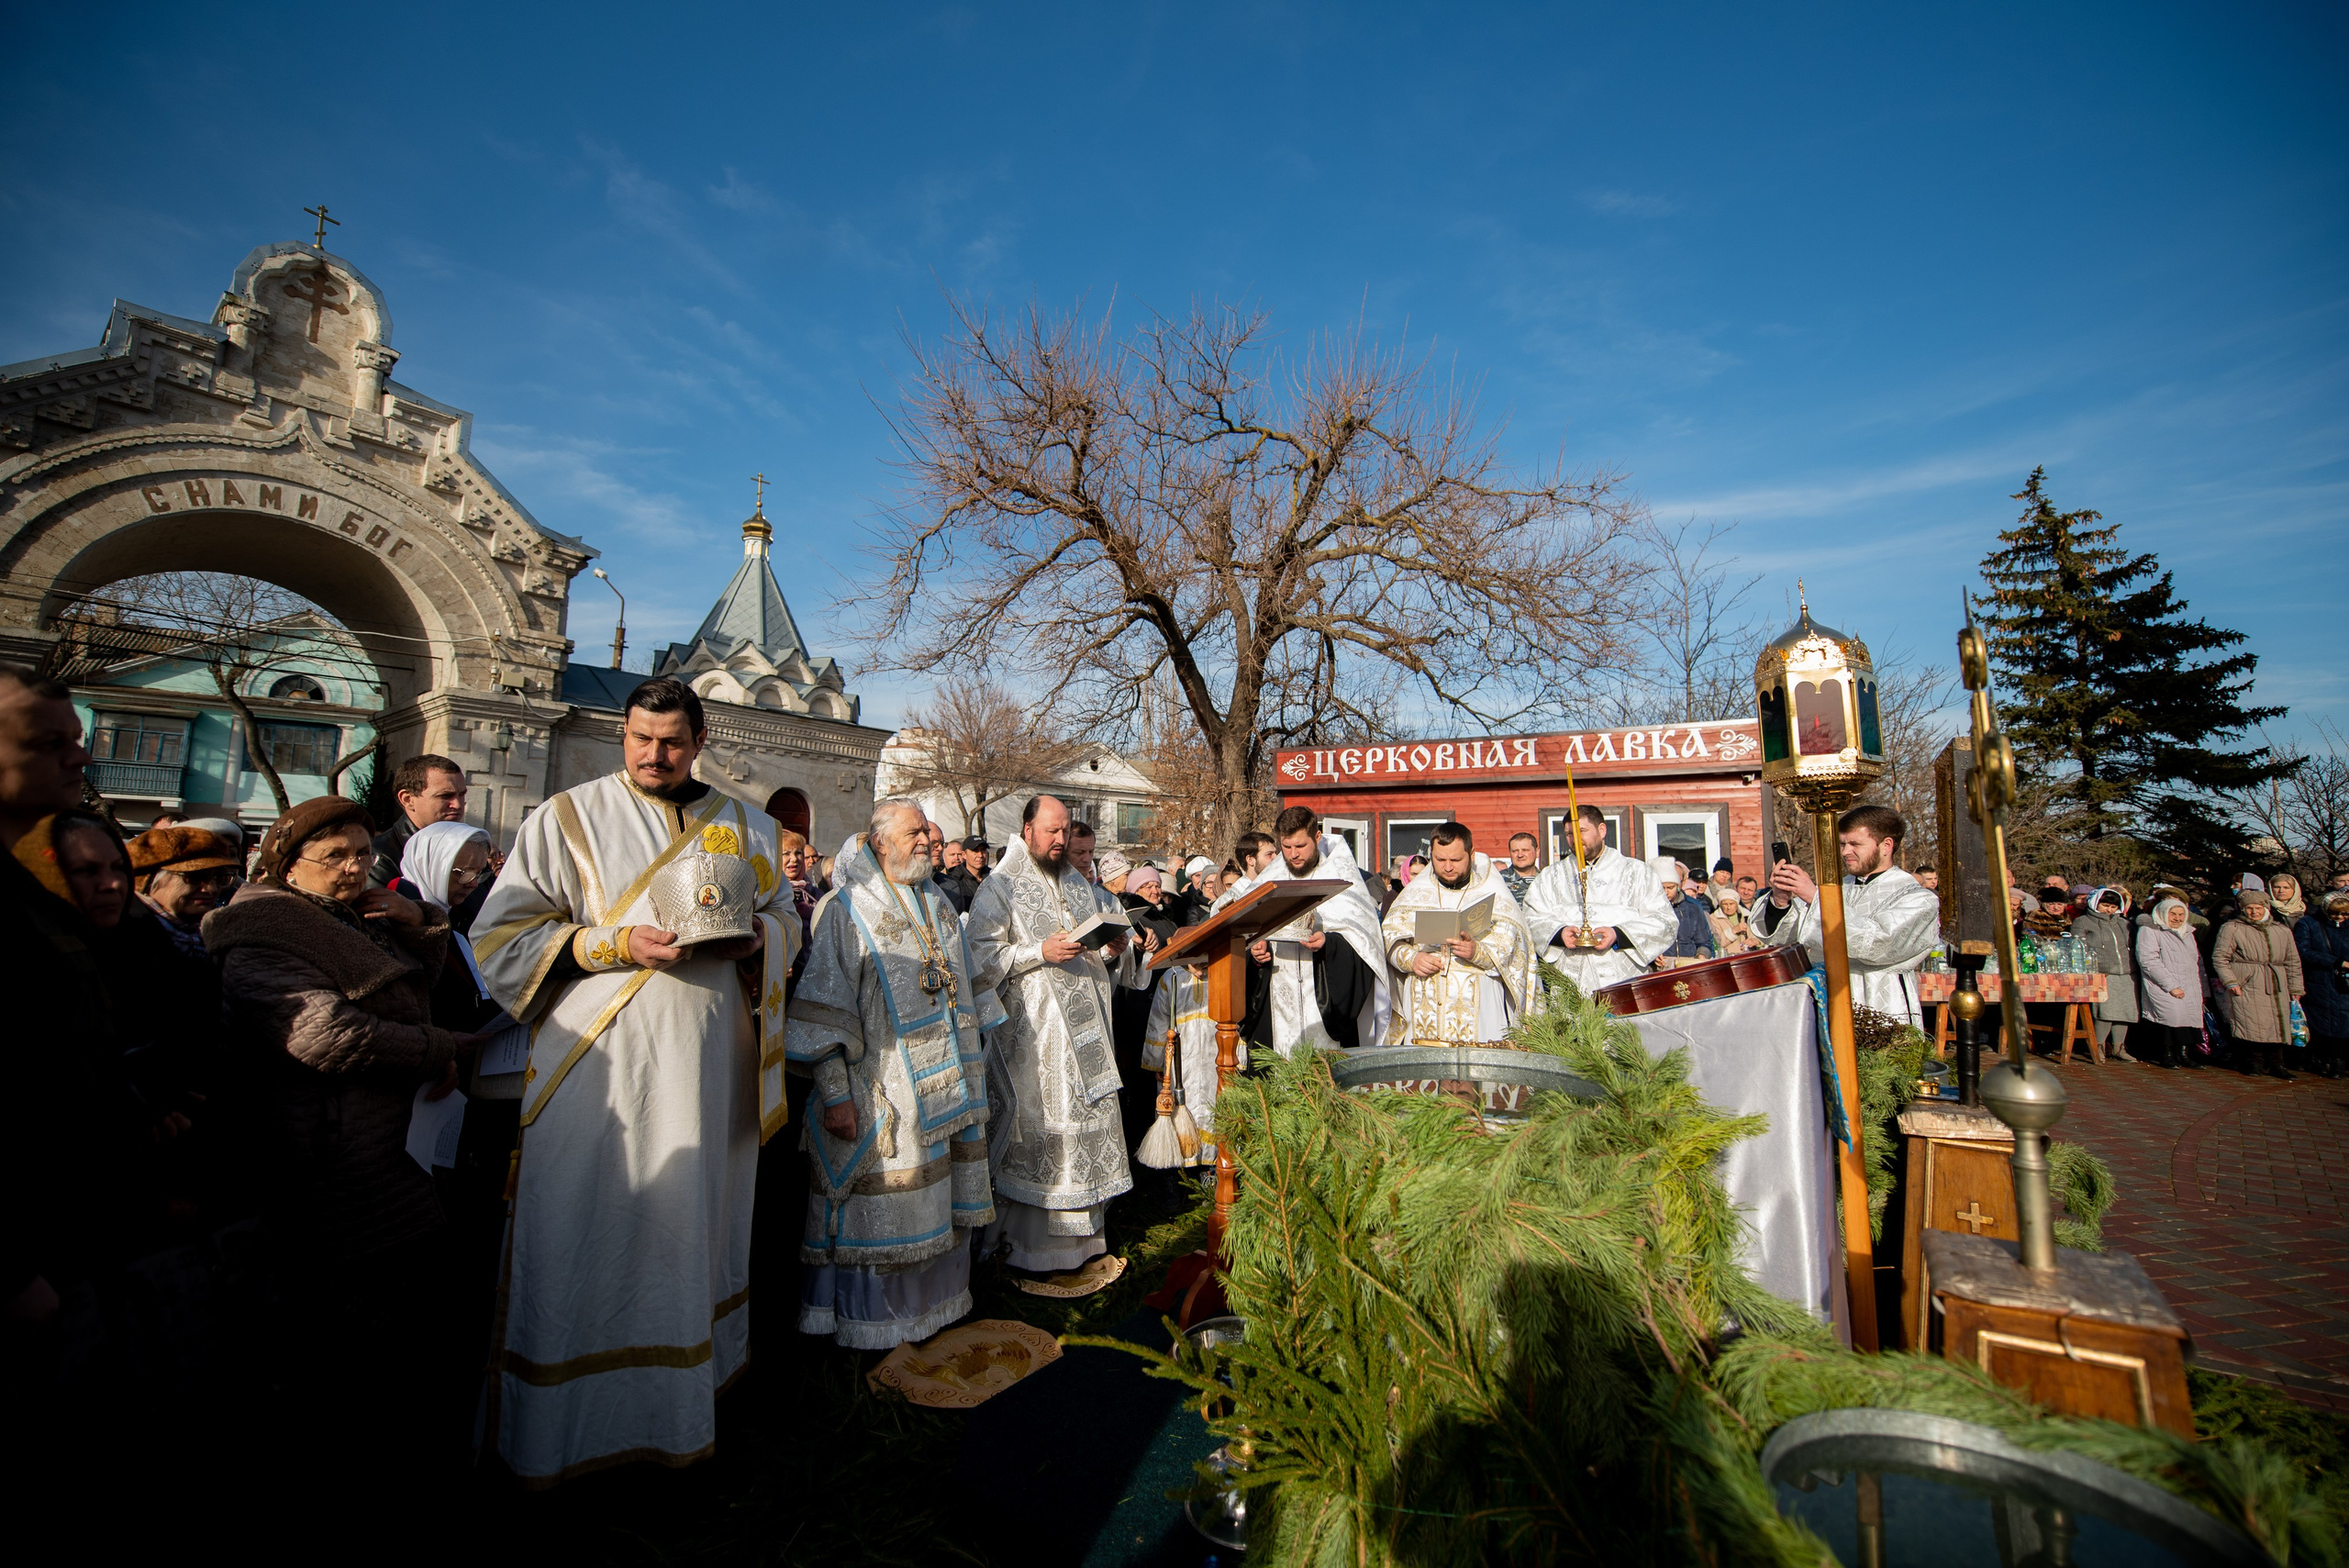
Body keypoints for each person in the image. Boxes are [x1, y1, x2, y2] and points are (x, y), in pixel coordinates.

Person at [468, 678, 797, 1484]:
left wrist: (759, 938)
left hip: (709, 1074)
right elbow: (501, 933)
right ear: (625, 733)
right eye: (640, 738)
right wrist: (614, 945)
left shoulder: (751, 825)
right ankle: (563, 1432)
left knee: (693, 1230)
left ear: (701, 738)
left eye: (673, 741)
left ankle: (683, 1411)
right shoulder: (567, 815)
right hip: (601, 1072)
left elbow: (788, 918)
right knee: (583, 1226)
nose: (655, 755)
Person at [206, 795, 478, 1466]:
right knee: (337, 1329)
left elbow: (423, 980)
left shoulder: (350, 917)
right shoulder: (262, 927)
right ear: (286, 864)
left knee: (399, 1321)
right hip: (326, 1154)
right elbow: (326, 1035)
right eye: (334, 857)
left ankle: (393, 1450)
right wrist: (436, 1046)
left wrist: (420, 917)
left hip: (389, 1147)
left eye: (361, 852)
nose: (354, 868)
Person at [785, 800, 997, 1345]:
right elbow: (823, 1010)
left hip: (944, 1091)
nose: (926, 840)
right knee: (886, 1212)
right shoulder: (847, 909)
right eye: (913, 833)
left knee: (938, 1209)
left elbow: (967, 991)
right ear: (880, 843)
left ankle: (934, 1314)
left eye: (926, 831)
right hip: (882, 1096)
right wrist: (835, 1095)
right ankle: (875, 1330)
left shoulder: (941, 907)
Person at [966, 794, 1140, 1275]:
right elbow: (978, 960)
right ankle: (1028, 1249)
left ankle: (1083, 1247)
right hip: (1035, 1040)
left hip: (1086, 1036)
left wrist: (1111, 949)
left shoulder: (1081, 886)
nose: (1060, 841)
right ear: (1027, 831)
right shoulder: (999, 888)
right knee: (1045, 1126)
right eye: (1051, 831)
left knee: (1084, 1120)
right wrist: (1037, 950)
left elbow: (1088, 954)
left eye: (1065, 831)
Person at [1753, 805, 1941, 1028]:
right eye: (1842, 844)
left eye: (1855, 844)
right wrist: (1781, 901)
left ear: (1886, 846)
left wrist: (1816, 899)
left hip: (1884, 1005)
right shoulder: (1837, 888)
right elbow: (1793, 937)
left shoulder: (1918, 898)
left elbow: (1880, 943)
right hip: (1829, 1002)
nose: (1844, 852)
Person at [1247, 806, 1390, 1055]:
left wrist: (1329, 943)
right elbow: (1249, 932)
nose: (1293, 855)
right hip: (1278, 1000)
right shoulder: (1268, 881)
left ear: (1317, 837)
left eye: (1300, 846)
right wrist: (1257, 951)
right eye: (1286, 846)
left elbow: (1365, 943)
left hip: (1325, 999)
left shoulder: (1342, 879)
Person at [1380, 822, 1534, 1047]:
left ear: (1471, 854)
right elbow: (1387, 940)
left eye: (1456, 860)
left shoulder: (1493, 891)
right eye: (1440, 860)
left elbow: (1515, 948)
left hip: (1479, 1004)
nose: (1448, 867)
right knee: (1425, 1077)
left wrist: (1478, 952)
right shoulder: (1414, 893)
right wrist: (1411, 959)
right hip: (1424, 1000)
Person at [1521, 805, 1677, 994]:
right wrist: (1559, 933)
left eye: (1582, 831)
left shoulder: (1637, 872)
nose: (1574, 839)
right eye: (1569, 834)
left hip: (1622, 978)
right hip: (1569, 981)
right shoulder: (1551, 876)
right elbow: (1530, 919)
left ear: (1602, 830)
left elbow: (1664, 922)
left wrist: (1618, 934)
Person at [2212, 887, 2305, 1081]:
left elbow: (2292, 961)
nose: (2254, 912)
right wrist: (2231, 981)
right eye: (2249, 908)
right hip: (2248, 981)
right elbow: (2220, 957)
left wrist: (2296, 987)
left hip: (2277, 982)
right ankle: (2253, 1062)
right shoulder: (2232, 928)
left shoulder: (2281, 930)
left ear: (2266, 907)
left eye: (2258, 908)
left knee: (2277, 1024)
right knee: (2251, 1024)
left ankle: (2277, 1064)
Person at [129, 824, 240, 959]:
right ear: (149, 879)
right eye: (195, 877)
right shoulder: (126, 937)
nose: (212, 888)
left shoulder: (215, 935)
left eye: (220, 878)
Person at [366, 754, 466, 888]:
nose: (458, 805)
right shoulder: (380, 856)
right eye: (445, 796)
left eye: (462, 794)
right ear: (408, 799)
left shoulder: (469, 848)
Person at [2071, 888, 2141, 1064]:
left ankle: (2119, 1047)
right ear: (2096, 903)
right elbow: (2079, 946)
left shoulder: (2124, 924)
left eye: (2112, 906)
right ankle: (2098, 1046)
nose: (2108, 910)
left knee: (2125, 1012)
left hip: (2126, 972)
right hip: (2103, 973)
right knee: (2105, 1013)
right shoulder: (2083, 922)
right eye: (2105, 905)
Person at [2136, 898, 2206, 1070]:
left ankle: (2184, 1054)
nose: (2177, 918)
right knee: (2169, 1019)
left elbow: (2198, 961)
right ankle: (2166, 1054)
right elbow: (2148, 960)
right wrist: (2170, 985)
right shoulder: (2150, 931)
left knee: (2187, 1020)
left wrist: (2204, 989)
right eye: (2172, 914)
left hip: (2189, 984)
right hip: (2164, 983)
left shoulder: (2188, 932)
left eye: (2181, 914)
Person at [2294, 889, 2349, 1079]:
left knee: (2343, 1022)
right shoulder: (2309, 924)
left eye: (2345, 914)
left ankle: (2338, 1062)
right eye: (2335, 913)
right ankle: (2323, 1059)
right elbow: (2303, 950)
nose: (2340, 917)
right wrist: (2335, 961)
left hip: (2344, 983)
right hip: (2319, 980)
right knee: (2322, 1022)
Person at [1657, 857, 1718, 962]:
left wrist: (1702, 955)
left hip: (1688, 964)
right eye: (1662, 888)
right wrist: (1652, 955)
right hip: (1661, 967)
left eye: (1670, 888)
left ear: (1679, 885)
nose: (1666, 892)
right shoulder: (1650, 908)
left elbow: (1704, 942)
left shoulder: (1693, 907)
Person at [1709, 884, 1758, 955]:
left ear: (1737, 904)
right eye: (1725, 904)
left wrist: (1755, 941)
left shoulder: (1746, 915)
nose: (1728, 907)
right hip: (1728, 958)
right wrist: (1733, 931)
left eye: (1731, 904)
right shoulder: (1714, 918)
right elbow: (1716, 943)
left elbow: (1759, 936)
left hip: (1748, 957)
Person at [1497, 832, 1540, 902]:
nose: (1520, 855)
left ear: (1537, 852)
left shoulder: (1546, 879)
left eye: (1525, 850)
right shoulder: (1499, 879)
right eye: (1515, 851)